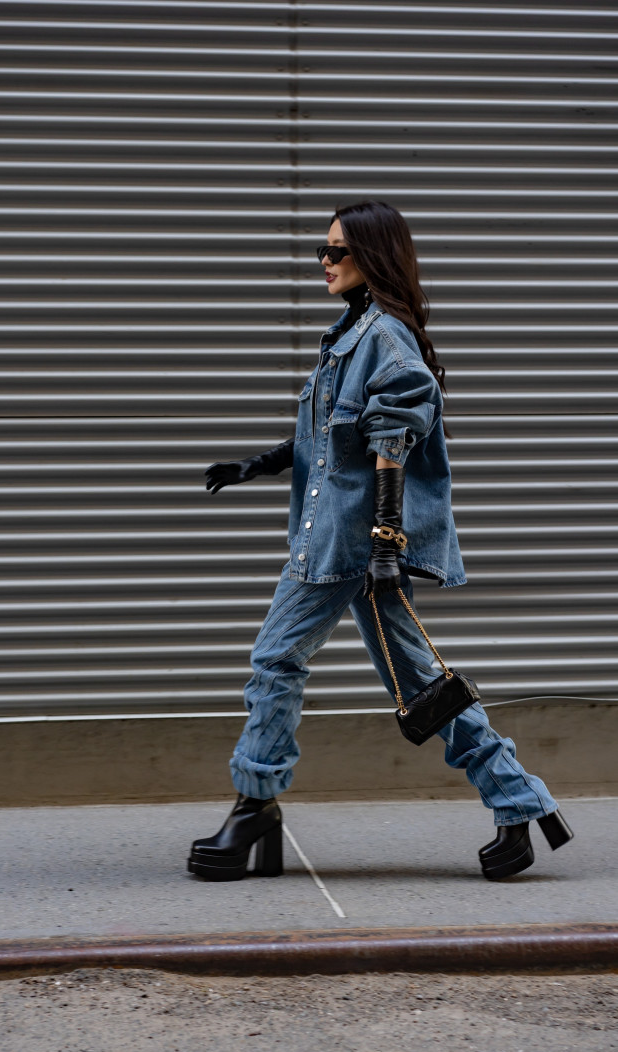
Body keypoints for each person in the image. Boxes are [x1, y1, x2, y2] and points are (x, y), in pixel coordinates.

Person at [188, 200, 573, 884]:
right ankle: (520, 804)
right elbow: (329, 439)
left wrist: (388, 544)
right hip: (342, 541)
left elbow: (391, 442)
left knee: (275, 660)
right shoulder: (351, 335)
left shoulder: (385, 339)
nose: (325, 261)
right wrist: (256, 465)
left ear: (372, 256)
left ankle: (254, 807)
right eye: (322, 250)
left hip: (349, 545)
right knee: (421, 684)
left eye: (338, 250)